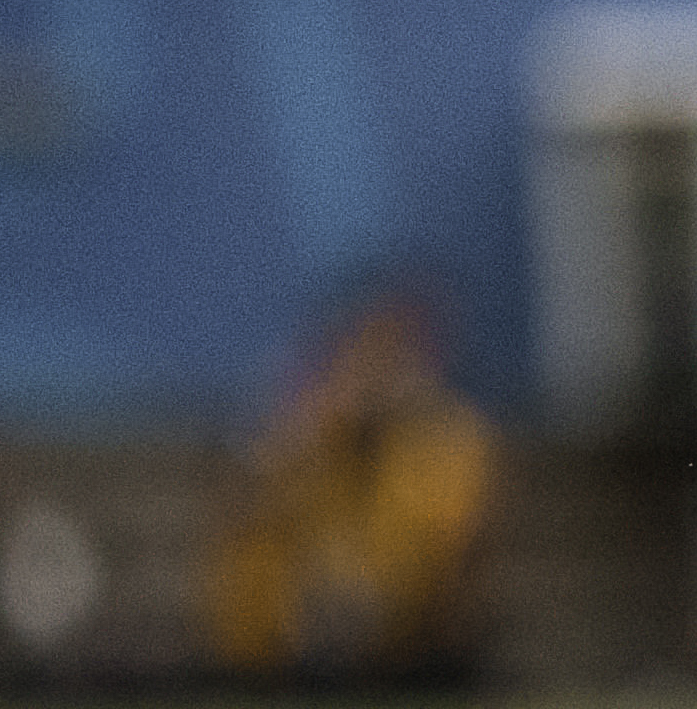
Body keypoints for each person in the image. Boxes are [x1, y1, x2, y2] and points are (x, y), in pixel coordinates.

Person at [204, 289, 500, 684]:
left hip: (405, 624)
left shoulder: (443, 438)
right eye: (367, 357)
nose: (377, 375)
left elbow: (449, 540)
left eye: (392, 359)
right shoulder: (318, 434)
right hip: (309, 627)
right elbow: (258, 505)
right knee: (260, 553)